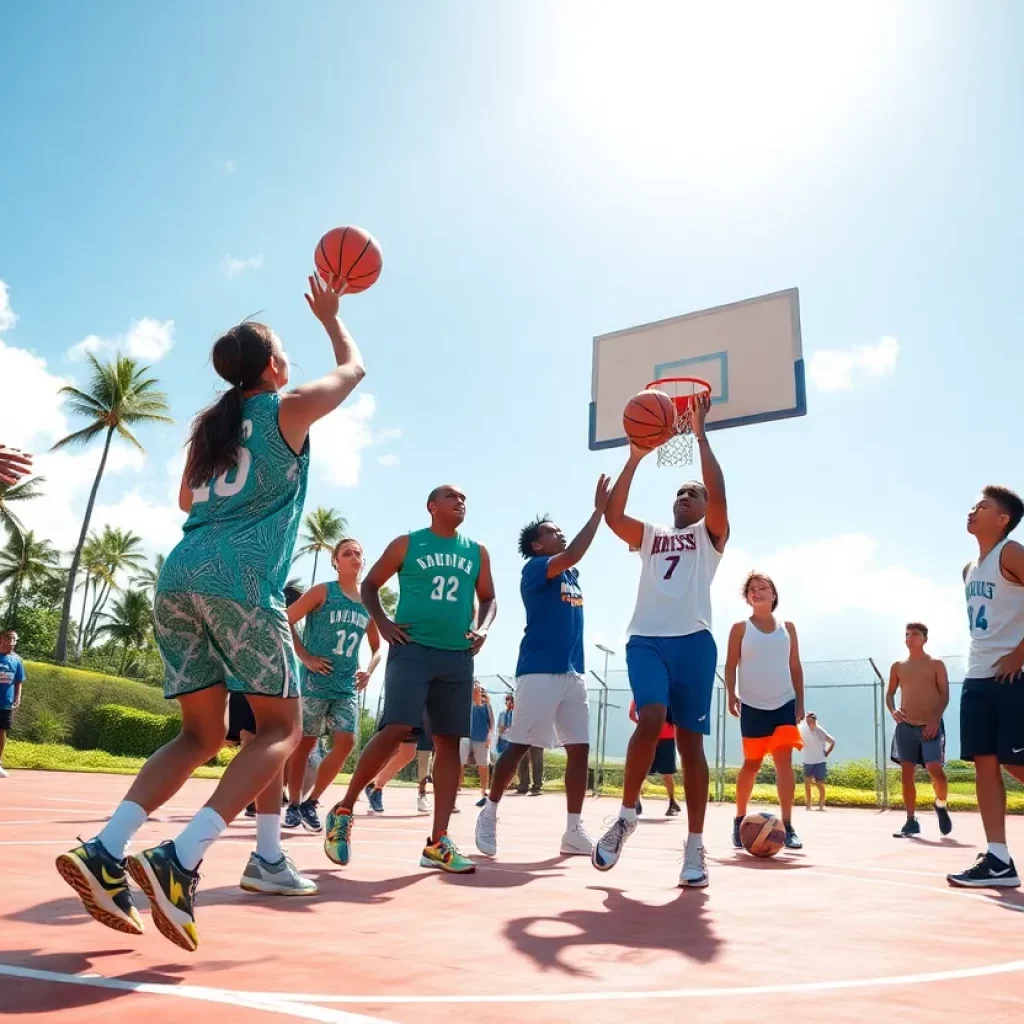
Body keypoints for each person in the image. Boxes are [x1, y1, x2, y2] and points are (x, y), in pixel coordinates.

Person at [56, 272, 365, 950]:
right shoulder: (287, 409)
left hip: (178, 577)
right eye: (284, 352)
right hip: (241, 582)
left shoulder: (213, 428)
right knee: (280, 729)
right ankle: (181, 857)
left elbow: (186, 501)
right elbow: (355, 368)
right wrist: (333, 318)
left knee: (199, 735)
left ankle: (108, 849)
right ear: (275, 367)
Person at [323, 484, 496, 874]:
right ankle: (345, 808)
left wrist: (482, 628)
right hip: (412, 649)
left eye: (465, 498)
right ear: (432, 506)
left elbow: (489, 598)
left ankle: (437, 843)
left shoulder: (476, 551)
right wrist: (382, 622)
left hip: (456, 655)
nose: (461, 502)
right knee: (396, 727)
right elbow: (370, 585)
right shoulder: (407, 544)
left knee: (448, 743)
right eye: (452, 497)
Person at [593, 393, 726, 888]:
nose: (683, 497)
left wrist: (701, 433)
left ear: (708, 507)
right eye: (678, 493)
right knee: (650, 718)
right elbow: (613, 517)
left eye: (692, 493)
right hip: (647, 639)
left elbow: (717, 490)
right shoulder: (651, 535)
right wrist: (635, 455)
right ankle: (626, 815)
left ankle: (694, 847)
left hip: (694, 642)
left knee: (692, 745)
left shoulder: (709, 539)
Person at [476, 479, 609, 859]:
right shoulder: (536, 569)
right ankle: (490, 811)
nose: (560, 532)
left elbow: (574, 560)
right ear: (538, 545)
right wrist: (599, 510)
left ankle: (572, 830)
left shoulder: (570, 576)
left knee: (579, 750)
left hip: (573, 672)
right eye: (552, 531)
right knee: (520, 744)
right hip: (538, 670)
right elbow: (576, 553)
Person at [948, 485, 1024, 888]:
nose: (973, 509)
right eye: (973, 504)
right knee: (985, 763)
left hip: (1012, 675)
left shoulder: (1011, 553)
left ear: (1003, 519)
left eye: (983, 506)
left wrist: (1020, 654)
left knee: (1015, 762)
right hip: (977, 676)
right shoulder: (969, 569)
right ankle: (998, 858)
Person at [282, 538, 380, 832]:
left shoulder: (367, 601)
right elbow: (287, 620)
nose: (353, 557)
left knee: (347, 743)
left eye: (358, 553)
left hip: (346, 685)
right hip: (315, 681)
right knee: (305, 744)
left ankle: (312, 802)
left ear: (363, 562)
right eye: (347, 553)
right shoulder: (323, 592)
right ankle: (295, 805)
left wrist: (369, 670)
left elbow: (378, 646)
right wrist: (305, 656)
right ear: (336, 562)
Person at [725, 572, 805, 851]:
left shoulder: (788, 628)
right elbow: (730, 664)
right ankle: (738, 821)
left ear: (774, 595)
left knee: (784, 763)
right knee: (752, 765)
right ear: (747, 598)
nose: (757, 592)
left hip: (783, 704)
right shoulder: (740, 628)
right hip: (752, 706)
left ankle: (788, 825)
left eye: (763, 588)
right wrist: (730, 694)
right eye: (751, 589)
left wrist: (800, 701)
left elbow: (795, 666)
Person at [887, 622, 952, 838]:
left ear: (925, 639)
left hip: (930, 727)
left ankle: (940, 804)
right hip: (906, 727)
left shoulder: (936, 664)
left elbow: (944, 695)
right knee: (907, 776)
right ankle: (910, 821)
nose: (910, 638)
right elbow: (889, 694)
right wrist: (893, 710)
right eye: (907, 634)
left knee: (937, 772)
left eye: (915, 634)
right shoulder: (898, 666)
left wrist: (935, 720)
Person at [629, 700, 682, 816]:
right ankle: (672, 802)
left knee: (643, 771)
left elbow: (632, 715)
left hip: (651, 734)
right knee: (667, 773)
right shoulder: (670, 696)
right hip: (666, 737)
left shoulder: (641, 694)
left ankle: (636, 802)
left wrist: (643, 724)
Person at [461, 683, 494, 809]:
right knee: (459, 760)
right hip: (465, 736)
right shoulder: (466, 705)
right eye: (474, 689)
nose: (475, 691)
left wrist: (489, 737)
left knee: (483, 765)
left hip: (481, 738)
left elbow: (491, 724)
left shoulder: (487, 707)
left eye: (478, 690)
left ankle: (484, 791)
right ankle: (457, 786)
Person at [0, 629, 25, 778]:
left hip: (5, 702)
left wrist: (18, 697)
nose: (10, 643)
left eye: (13, 641)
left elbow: (18, 681)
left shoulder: (17, 660)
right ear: (1, 640)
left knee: (1, 730)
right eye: (7, 640)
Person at [799, 713, 834, 809]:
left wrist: (827, 752)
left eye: (813, 719)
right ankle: (808, 804)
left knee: (820, 783)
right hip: (808, 760)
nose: (811, 721)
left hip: (819, 761)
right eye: (809, 719)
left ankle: (822, 804)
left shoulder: (820, 731)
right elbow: (798, 739)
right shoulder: (803, 730)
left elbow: (832, 741)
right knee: (807, 783)